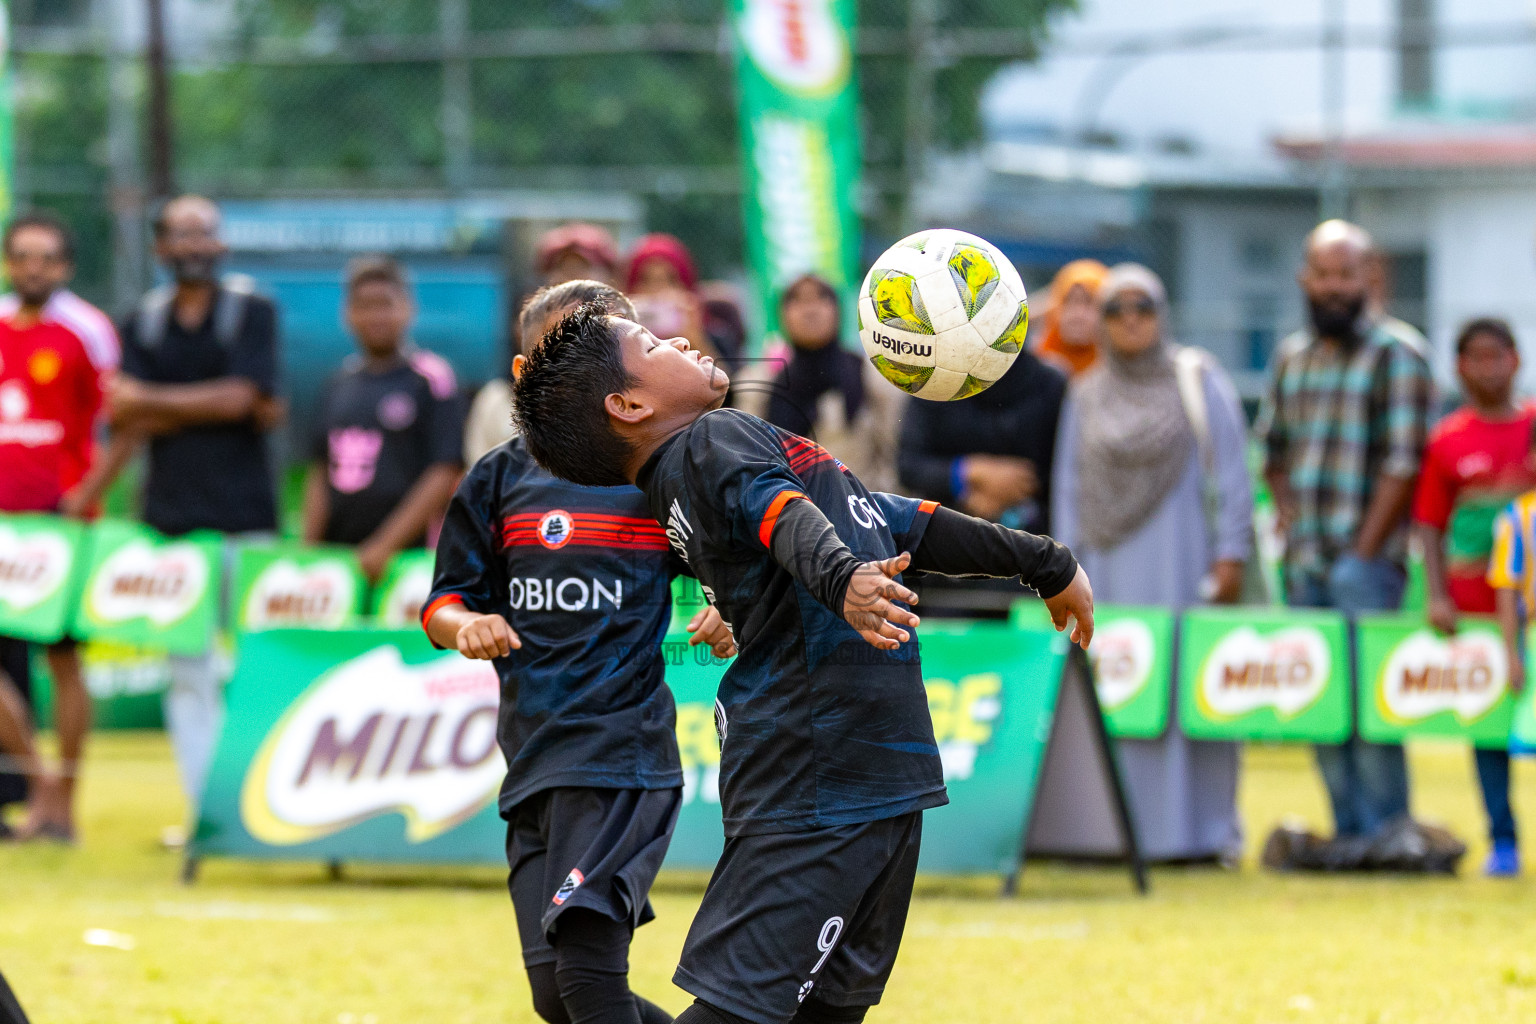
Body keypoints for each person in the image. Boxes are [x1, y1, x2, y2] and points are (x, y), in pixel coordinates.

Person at [511, 305, 1094, 1024]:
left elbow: (889, 520)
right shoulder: (714, 440)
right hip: (819, 777)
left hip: (868, 780)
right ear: (630, 405)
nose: (683, 341)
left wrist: (1041, 561)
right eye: (654, 344)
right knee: (740, 1011)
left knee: (821, 1014)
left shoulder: (700, 467)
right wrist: (842, 577)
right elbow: (781, 511)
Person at [424, 278, 733, 1024]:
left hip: (621, 758)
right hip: (531, 763)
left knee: (589, 983)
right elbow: (443, 601)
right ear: (527, 376)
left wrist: (728, 605)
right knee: (556, 999)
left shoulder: (657, 473)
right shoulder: (498, 478)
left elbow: (736, 565)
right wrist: (464, 625)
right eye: (565, 349)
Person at [67, 194, 282, 818]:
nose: (193, 246)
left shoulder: (252, 312)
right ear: (160, 247)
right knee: (185, 676)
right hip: (169, 528)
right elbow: (125, 417)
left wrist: (155, 401)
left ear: (220, 243)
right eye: (180, 235)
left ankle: (261, 808)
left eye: (204, 233)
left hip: (248, 520)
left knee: (252, 669)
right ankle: (205, 816)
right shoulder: (142, 322)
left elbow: (244, 400)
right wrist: (93, 489)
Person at [1052, 263, 1251, 862]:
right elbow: (1069, 485)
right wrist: (1063, 571)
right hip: (1107, 570)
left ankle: (1203, 835)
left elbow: (1235, 472)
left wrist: (1232, 552)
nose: (1131, 321)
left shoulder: (1197, 379)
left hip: (1185, 563)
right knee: (1121, 689)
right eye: (1117, 310)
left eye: (1143, 308)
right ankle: (1116, 833)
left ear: (1163, 315)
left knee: (1189, 693)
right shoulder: (1085, 393)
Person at [1257, 219, 1435, 844]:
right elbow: (1273, 453)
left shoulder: (1399, 352)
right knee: (1321, 703)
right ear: (1306, 278)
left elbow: (1404, 463)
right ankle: (1350, 835)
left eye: (1346, 273)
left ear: (1372, 276)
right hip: (1303, 561)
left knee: (1372, 708)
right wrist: (1293, 521)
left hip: (1368, 566)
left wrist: (1361, 554)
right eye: (1323, 273)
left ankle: (1391, 836)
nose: (1334, 286)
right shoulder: (1291, 356)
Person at [0, 210, 118, 840]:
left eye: (44, 256)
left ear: (65, 267)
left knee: (63, 661)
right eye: (21, 255)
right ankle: (38, 785)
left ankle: (63, 805)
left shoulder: (87, 331)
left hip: (61, 523)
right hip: (2, 524)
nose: (32, 266)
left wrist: (87, 497)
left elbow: (117, 421)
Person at [1414, 318, 1535, 877]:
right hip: (1477, 610)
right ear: (1459, 367)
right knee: (1487, 731)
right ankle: (1503, 841)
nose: (1489, 368)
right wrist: (1438, 596)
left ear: (1517, 360)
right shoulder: (1447, 439)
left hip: (1531, 608)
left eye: (1498, 356)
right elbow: (1430, 526)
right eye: (1476, 358)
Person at [303, 257, 464, 581]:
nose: (375, 315)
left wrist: (385, 546)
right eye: (364, 305)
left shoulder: (432, 379)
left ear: (408, 308)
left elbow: (444, 470)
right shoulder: (337, 384)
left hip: (408, 562)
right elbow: (321, 469)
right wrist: (310, 552)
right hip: (339, 562)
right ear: (348, 314)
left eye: (385, 304)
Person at [464, 223, 623, 464]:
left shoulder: (635, 371)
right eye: (560, 275)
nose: (570, 284)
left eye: (583, 272)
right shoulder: (496, 399)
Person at [897, 309, 1066, 535]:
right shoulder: (935, 381)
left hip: (1033, 540)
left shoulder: (1049, 383)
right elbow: (909, 464)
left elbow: (1064, 471)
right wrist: (970, 473)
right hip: (948, 533)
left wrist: (1009, 493)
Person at [737, 273, 900, 492]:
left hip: (861, 511)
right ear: (781, 314)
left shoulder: (869, 375)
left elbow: (893, 457)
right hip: (786, 514)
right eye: (797, 300)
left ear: (837, 310)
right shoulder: (762, 384)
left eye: (821, 298)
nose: (810, 310)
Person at [625, 233, 710, 357]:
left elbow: (723, 375)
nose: (656, 290)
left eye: (669, 279)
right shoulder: (619, 336)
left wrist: (696, 339)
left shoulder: (717, 334)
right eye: (645, 280)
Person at [1033, 258, 1108, 379]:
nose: (1077, 314)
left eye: (1088, 302)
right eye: (1068, 301)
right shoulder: (1037, 363)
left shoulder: (1121, 367)